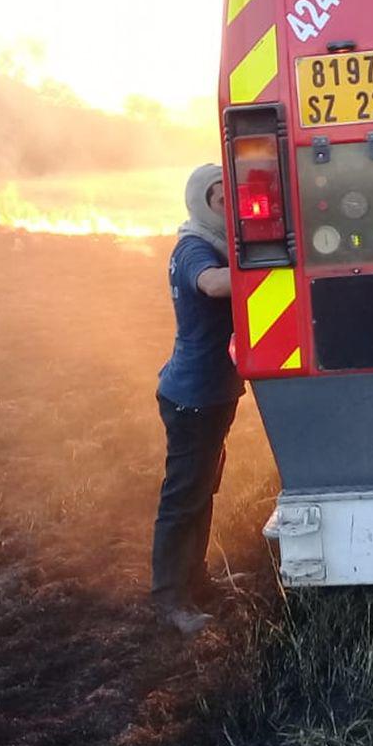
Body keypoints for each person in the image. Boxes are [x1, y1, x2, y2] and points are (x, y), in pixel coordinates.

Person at [151, 164, 245, 635]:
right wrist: (265, 261)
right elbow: (212, 284)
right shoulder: (194, 248)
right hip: (192, 397)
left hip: (210, 393)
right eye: (218, 198)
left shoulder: (218, 244)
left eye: (231, 196)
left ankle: (197, 582)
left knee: (203, 490)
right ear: (200, 203)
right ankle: (169, 599)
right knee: (183, 498)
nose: (227, 205)